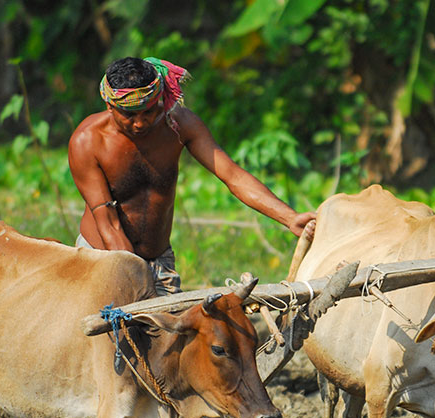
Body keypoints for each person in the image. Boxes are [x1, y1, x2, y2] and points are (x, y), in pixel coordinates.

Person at [68, 56, 316, 296]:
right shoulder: (88, 141)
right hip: (102, 258)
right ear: (110, 107)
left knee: (170, 335)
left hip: (159, 261)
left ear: (161, 99)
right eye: (129, 116)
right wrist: (138, 281)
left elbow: (232, 175)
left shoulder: (179, 125)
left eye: (149, 112)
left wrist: (290, 218)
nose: (141, 123)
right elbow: (108, 223)